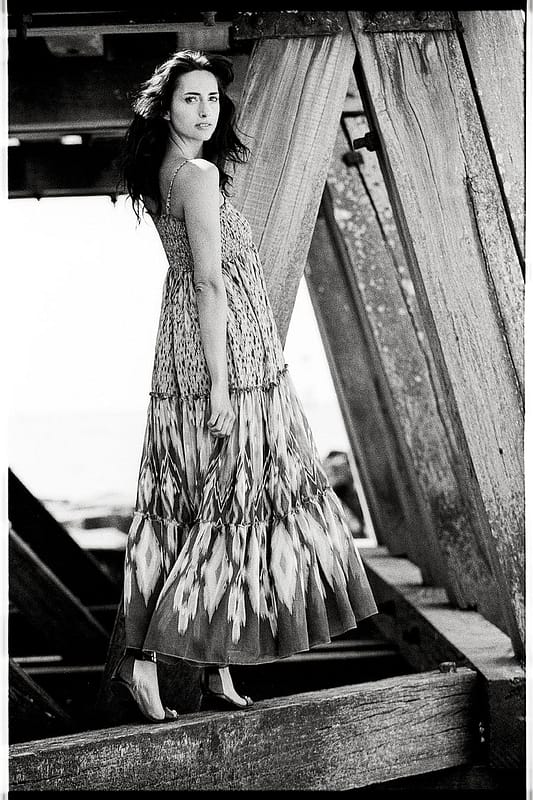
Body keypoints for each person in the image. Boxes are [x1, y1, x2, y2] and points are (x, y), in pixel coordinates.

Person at [111, 49, 379, 723]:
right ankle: (147, 661)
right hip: (228, 359)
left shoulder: (166, 172)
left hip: (185, 353)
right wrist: (223, 386)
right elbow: (208, 282)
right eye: (190, 98)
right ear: (165, 108)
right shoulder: (197, 175)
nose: (206, 110)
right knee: (237, 494)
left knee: (198, 496)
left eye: (212, 98)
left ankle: (214, 663)